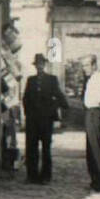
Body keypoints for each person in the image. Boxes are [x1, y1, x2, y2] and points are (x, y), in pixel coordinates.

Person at [22, 53, 69, 184]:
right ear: (35, 66)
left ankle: (46, 176)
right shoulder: (30, 80)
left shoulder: (52, 79)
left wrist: (62, 109)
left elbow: (59, 95)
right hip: (32, 120)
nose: (39, 66)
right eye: (37, 64)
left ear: (45, 65)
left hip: (46, 120)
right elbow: (25, 99)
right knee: (31, 147)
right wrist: (27, 114)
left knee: (46, 148)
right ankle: (32, 175)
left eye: (42, 64)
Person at [82, 54, 100, 191]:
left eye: (86, 65)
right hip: (90, 113)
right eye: (83, 65)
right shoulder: (91, 79)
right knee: (90, 149)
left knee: (96, 149)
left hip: (96, 114)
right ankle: (95, 181)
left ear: (94, 65)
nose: (84, 68)